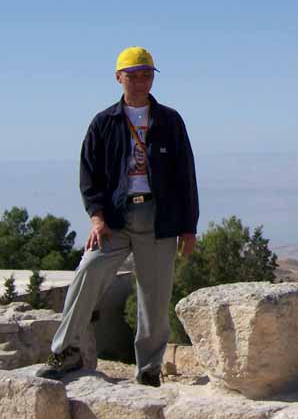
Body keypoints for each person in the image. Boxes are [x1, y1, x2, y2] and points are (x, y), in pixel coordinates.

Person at [37, 46, 199, 386]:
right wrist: (96, 217)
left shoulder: (170, 120)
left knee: (154, 297)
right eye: (133, 75)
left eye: (146, 74)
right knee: (87, 273)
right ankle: (66, 350)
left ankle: (149, 368)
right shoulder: (104, 122)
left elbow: (186, 175)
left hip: (160, 218)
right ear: (118, 78)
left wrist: (189, 227)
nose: (140, 81)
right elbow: (88, 174)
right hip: (114, 217)